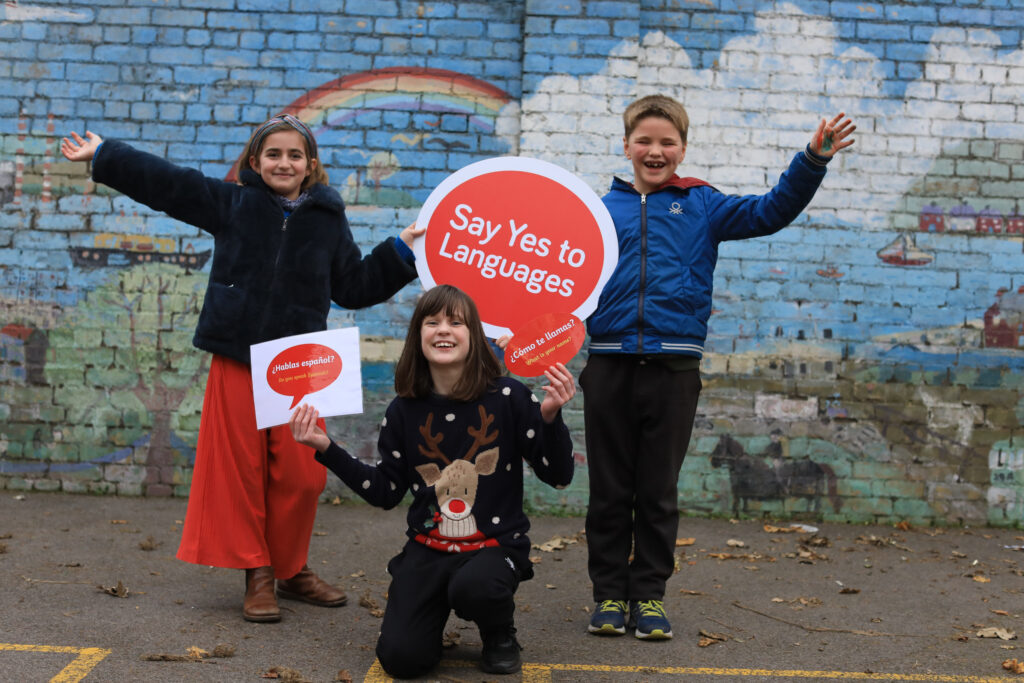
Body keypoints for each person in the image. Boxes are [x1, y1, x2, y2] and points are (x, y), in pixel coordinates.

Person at [61, 114, 423, 623]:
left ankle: (291, 567)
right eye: (273, 154)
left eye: (295, 155)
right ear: (255, 162)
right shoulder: (233, 202)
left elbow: (354, 287)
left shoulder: (327, 218)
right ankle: (258, 574)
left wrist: (402, 249)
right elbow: (169, 184)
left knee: (302, 476)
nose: (284, 162)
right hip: (237, 356)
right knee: (242, 473)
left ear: (310, 166)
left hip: (299, 366)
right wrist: (105, 155)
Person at [581, 95, 856, 640]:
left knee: (657, 491)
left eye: (667, 142)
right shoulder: (595, 211)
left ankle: (650, 598)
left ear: (682, 149)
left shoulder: (702, 205)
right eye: (645, 140)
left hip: (674, 371)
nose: (655, 151)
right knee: (610, 491)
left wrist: (812, 160)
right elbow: (551, 270)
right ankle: (609, 596)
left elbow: (770, 211)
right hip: (608, 367)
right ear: (626, 145)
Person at [289, 284, 576, 677]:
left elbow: (558, 475)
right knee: (402, 660)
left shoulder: (508, 396)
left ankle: (498, 631)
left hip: (494, 548)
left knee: (477, 587)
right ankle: (430, 611)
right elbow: (385, 492)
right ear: (418, 337)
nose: (444, 330)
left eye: (456, 322)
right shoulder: (403, 411)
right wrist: (325, 447)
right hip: (428, 549)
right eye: (432, 322)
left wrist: (549, 418)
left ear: (474, 335)